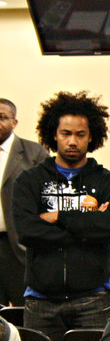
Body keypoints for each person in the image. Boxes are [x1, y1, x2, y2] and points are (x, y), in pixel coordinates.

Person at [12, 91, 110, 341]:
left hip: (95, 300)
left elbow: (108, 228)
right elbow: (27, 231)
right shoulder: (29, 181)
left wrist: (57, 216)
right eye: (66, 133)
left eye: (80, 134)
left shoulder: (109, 182)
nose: (72, 141)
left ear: (92, 136)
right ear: (54, 134)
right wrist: (87, 226)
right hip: (41, 302)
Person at [0, 98, 48, 307]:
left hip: (19, 247)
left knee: (25, 310)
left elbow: (49, 197)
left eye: (2, 118)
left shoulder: (33, 153)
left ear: (15, 122)